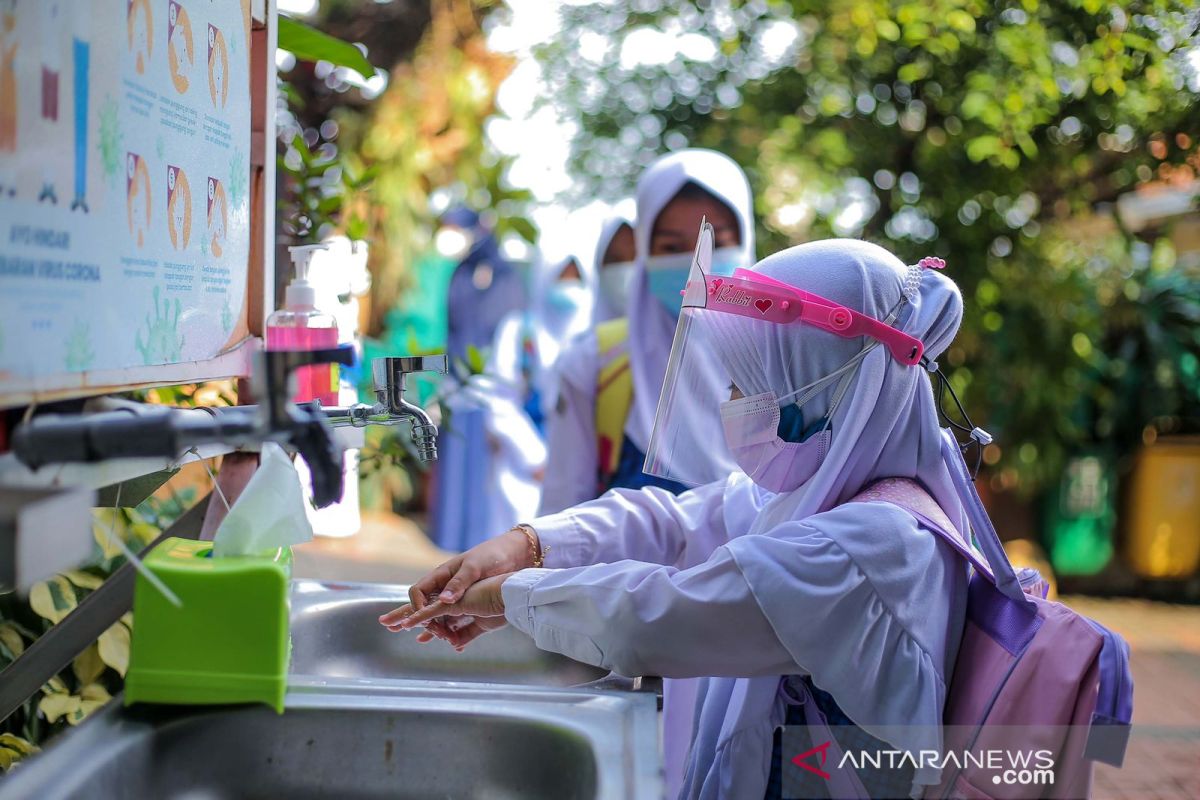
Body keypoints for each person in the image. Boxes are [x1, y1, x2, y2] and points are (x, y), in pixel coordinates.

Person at [381, 233, 971, 799]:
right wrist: (529, 543)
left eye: (751, 380)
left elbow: (652, 618)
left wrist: (508, 596)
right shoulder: (817, 496)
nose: (733, 401)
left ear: (822, 382)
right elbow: (674, 522)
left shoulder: (875, 546)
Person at [539, 149, 755, 516]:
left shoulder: (792, 362)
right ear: (645, 253)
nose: (696, 263)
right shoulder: (595, 363)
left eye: (715, 242)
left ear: (745, 241)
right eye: (672, 247)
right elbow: (563, 509)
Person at [591, 213, 636, 323]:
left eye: (635, 257)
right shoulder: (586, 340)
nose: (626, 267)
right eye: (615, 260)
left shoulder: (680, 335)